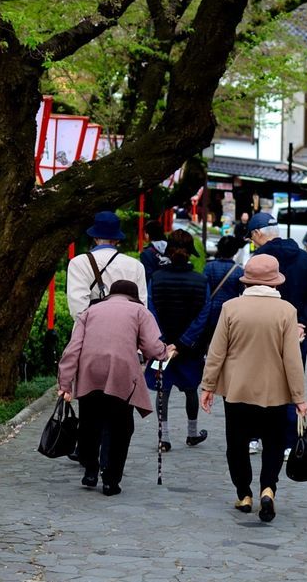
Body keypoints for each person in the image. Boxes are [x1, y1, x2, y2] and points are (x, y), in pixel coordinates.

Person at [199, 255, 307, 522]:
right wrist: (299, 398)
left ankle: (243, 493)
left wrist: (208, 386)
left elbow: (217, 351)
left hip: (237, 388)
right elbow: (292, 360)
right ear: (275, 282)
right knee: (273, 442)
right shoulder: (286, 311)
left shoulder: (230, 307)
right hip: (275, 391)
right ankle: (268, 489)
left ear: (248, 280)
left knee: (236, 442)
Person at [58, 280, 177, 496]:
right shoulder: (140, 311)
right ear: (134, 296)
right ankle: (111, 480)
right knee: (121, 427)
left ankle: (91, 470)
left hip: (89, 373)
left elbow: (73, 348)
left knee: (89, 424)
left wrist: (64, 383)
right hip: (121, 374)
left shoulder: (90, 311)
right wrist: (164, 351)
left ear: (111, 295)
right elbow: (151, 347)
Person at [246, 212, 307, 453]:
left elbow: (250, 297)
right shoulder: (304, 258)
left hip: (263, 333)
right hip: (296, 333)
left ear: (258, 234)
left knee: (258, 382)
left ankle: (255, 437)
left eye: (252, 237)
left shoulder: (259, 260)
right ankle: (289, 442)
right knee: (292, 384)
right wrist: (303, 323)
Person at [147, 231, 210, 450]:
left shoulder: (156, 278)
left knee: (163, 390)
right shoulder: (201, 281)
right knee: (191, 389)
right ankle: (192, 433)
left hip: (163, 346)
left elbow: (151, 311)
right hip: (190, 347)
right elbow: (204, 314)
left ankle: (163, 438)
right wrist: (184, 342)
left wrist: (164, 341)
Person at [66, 211, 147, 317]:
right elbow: (142, 307)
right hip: (128, 329)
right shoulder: (136, 265)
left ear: (95, 238)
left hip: (92, 330)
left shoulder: (78, 263)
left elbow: (77, 309)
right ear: (117, 239)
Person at [140, 219, 169, 294]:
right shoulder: (173, 248)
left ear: (147, 234)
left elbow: (148, 276)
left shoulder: (146, 254)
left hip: (156, 291)